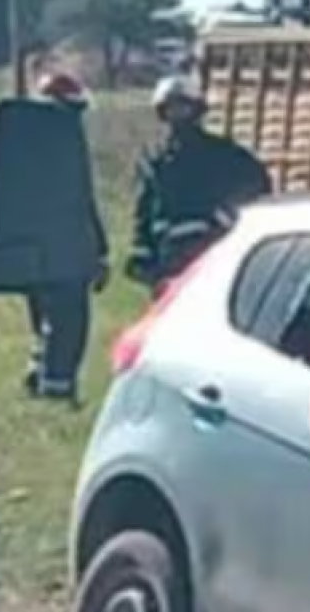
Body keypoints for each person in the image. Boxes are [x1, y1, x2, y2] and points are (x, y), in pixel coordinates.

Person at [127, 74, 272, 291]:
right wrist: (142, 253)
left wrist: (229, 219)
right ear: (162, 113)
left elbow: (259, 183)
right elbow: (144, 208)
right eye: (171, 109)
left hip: (208, 246)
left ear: (196, 110)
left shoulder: (223, 153)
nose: (177, 115)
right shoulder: (155, 158)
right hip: (168, 254)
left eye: (183, 108)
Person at [24, 71, 109, 402]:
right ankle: (56, 388)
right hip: (65, 251)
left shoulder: (27, 146)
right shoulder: (62, 145)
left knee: (47, 319)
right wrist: (97, 251)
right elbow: (80, 200)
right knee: (69, 323)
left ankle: (40, 374)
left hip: (37, 250)